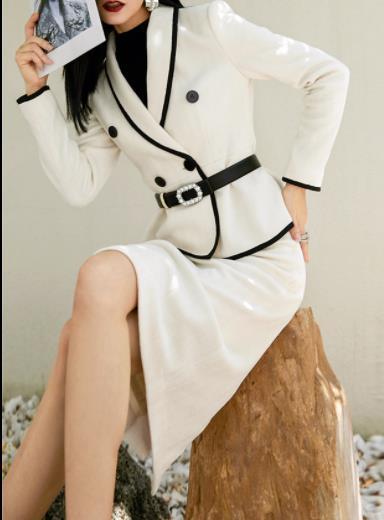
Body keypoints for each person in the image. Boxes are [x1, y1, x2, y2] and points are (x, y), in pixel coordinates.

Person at [5, 0, 350, 517]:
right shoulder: (99, 78)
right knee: (77, 337)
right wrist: (36, 91)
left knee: (97, 284)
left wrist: (299, 184)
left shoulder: (208, 24)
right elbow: (80, 185)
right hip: (186, 252)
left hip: (258, 257)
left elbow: (328, 74)